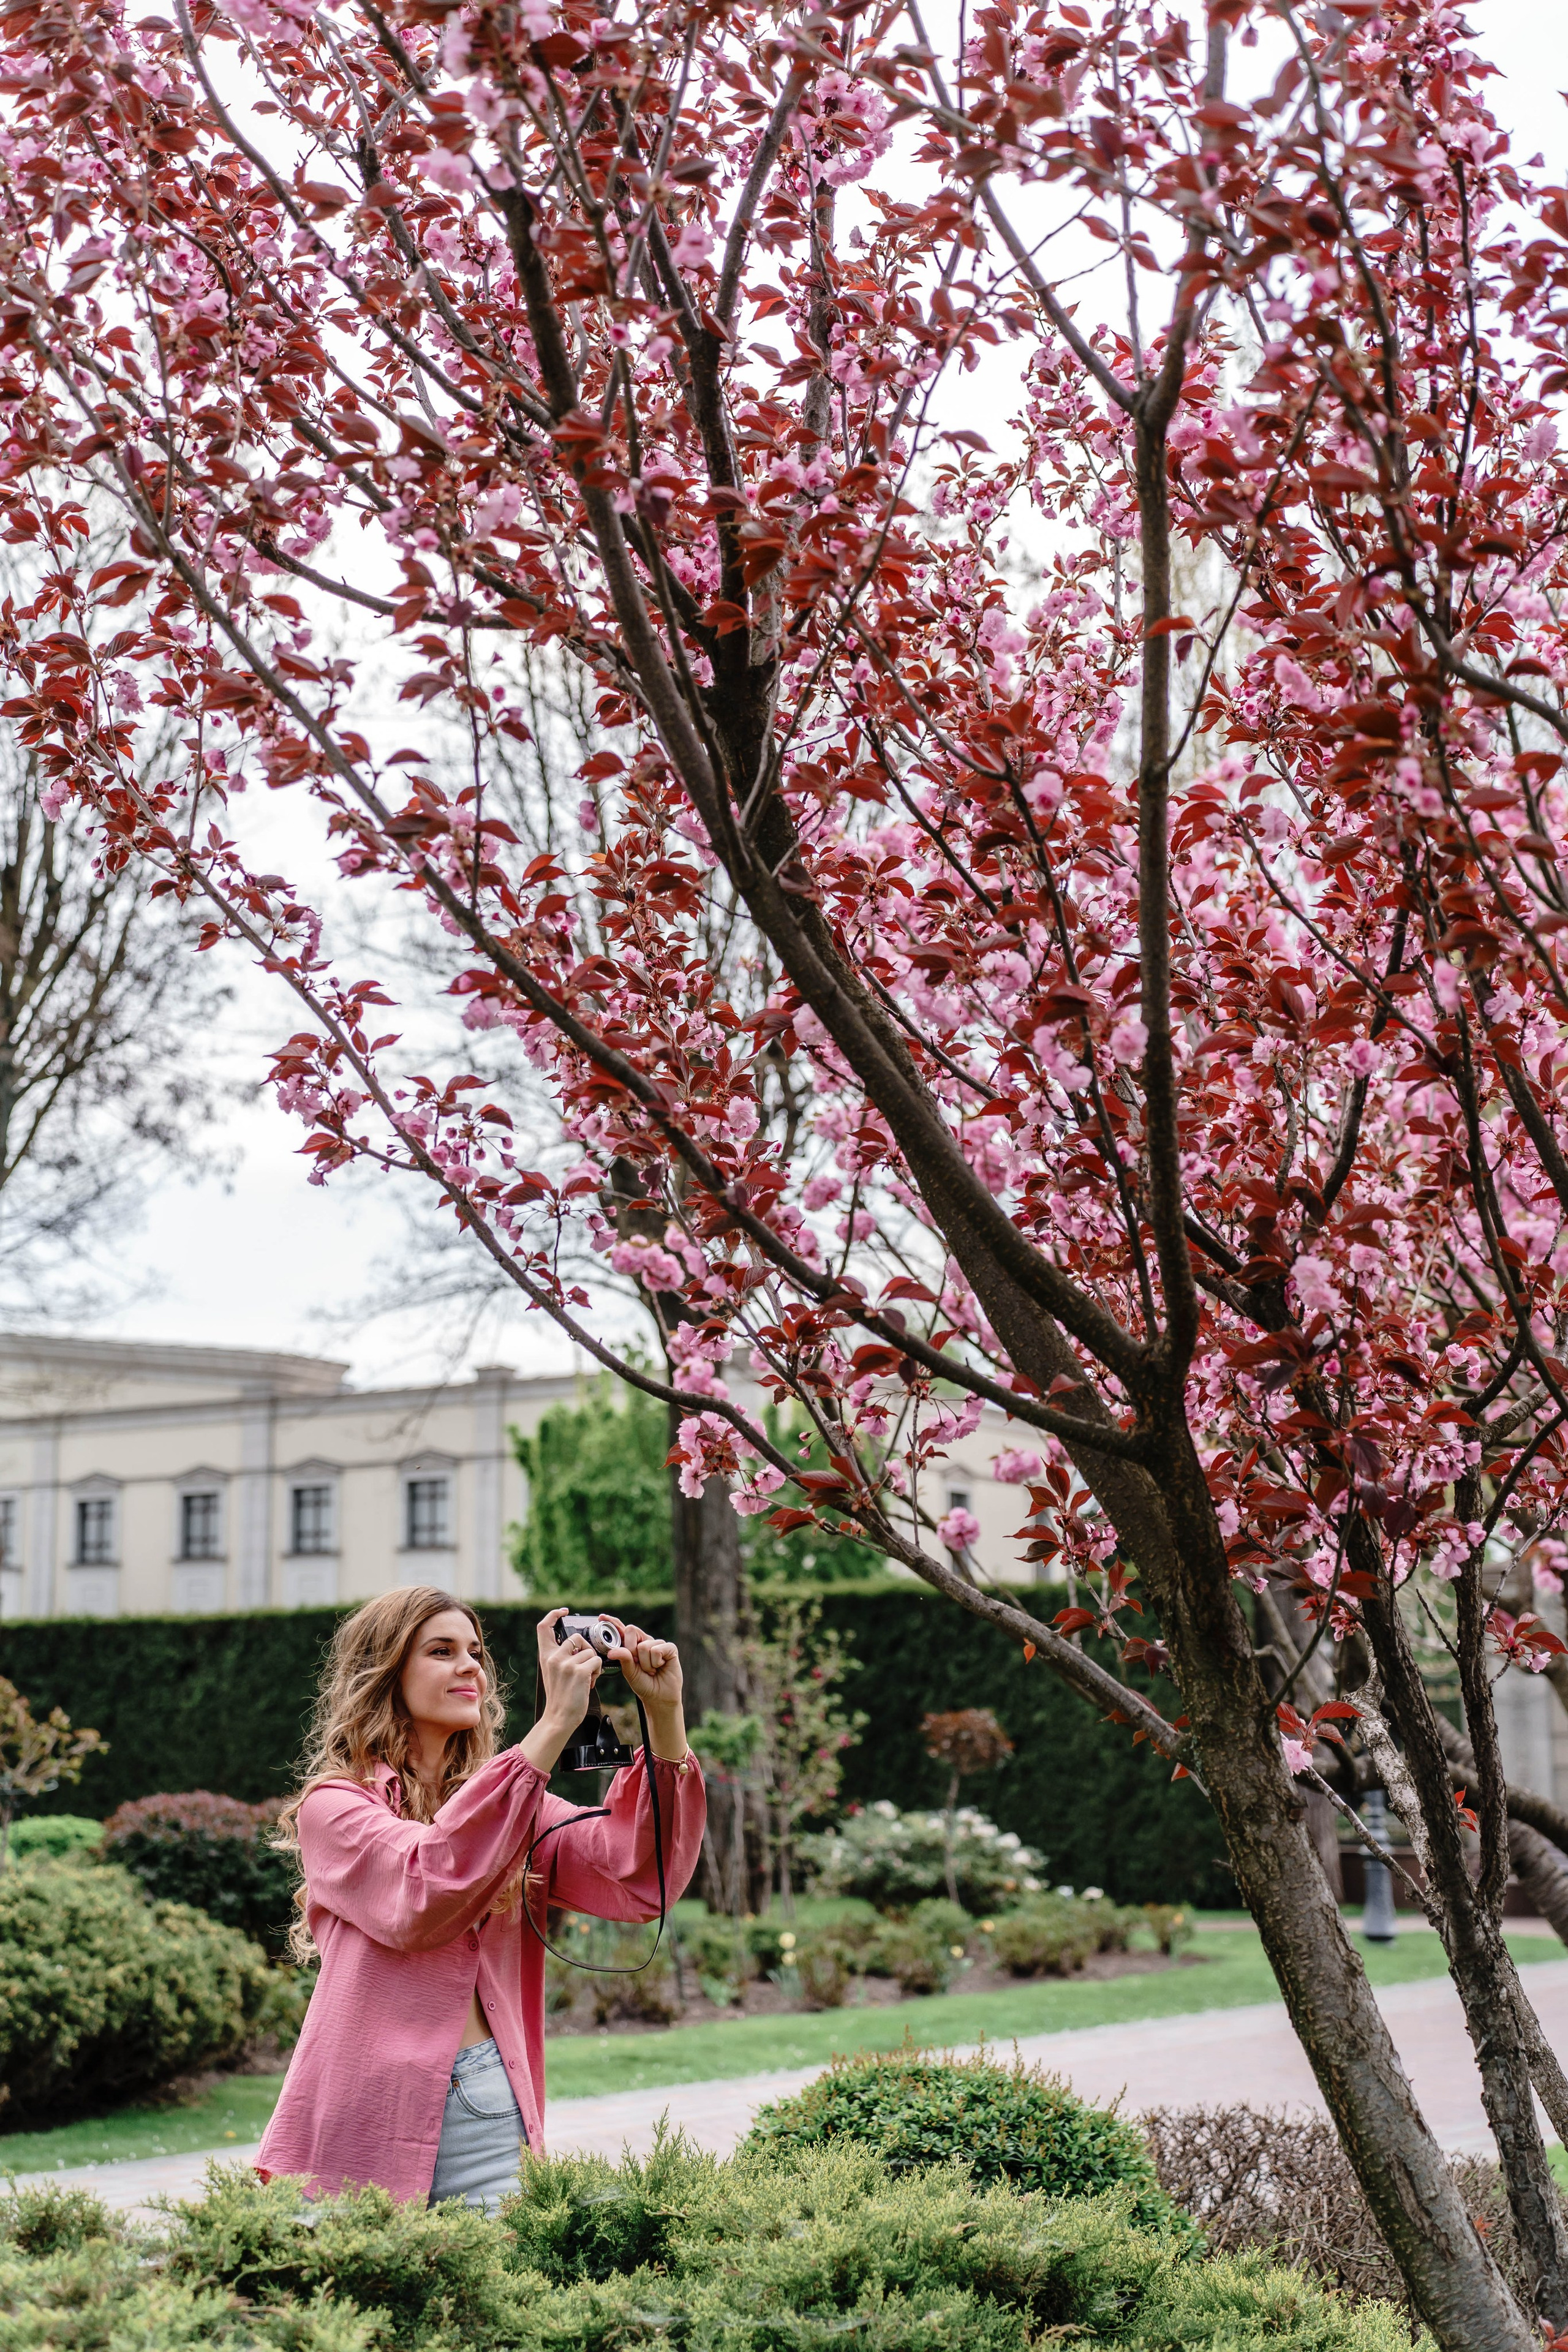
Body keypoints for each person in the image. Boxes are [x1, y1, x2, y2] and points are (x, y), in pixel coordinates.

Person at [257, 1586, 705, 2209]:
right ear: (384, 1674)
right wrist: (552, 1726)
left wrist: (665, 1719)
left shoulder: (518, 1808)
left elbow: (636, 1878)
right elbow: (424, 1892)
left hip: (489, 2105)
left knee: (491, 2302)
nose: (470, 1665)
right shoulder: (334, 1808)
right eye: (441, 1651)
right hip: (361, 2113)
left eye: (474, 1651)